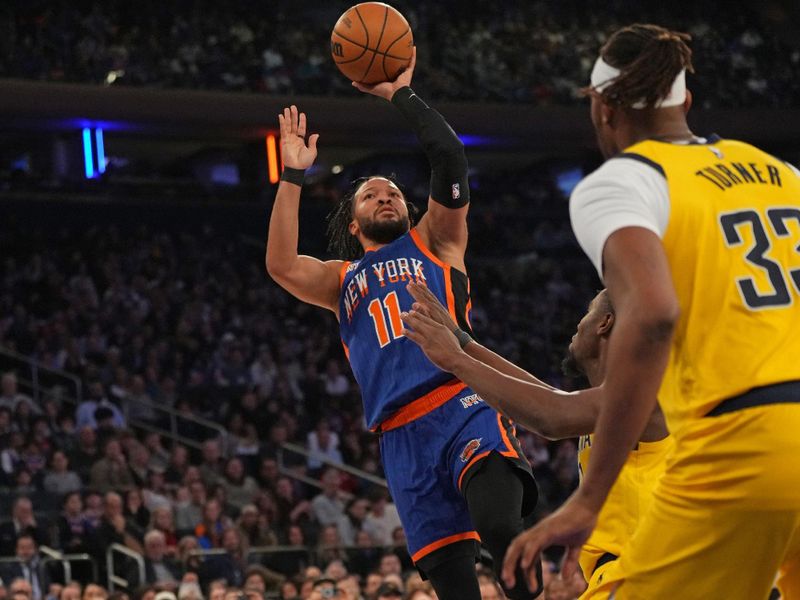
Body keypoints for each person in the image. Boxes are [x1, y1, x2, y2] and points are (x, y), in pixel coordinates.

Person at [499, 24, 800, 600]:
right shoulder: (779, 171)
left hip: (744, 441)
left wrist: (589, 499)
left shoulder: (623, 182)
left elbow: (655, 311)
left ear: (603, 110)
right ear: (686, 99)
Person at [266, 48, 539, 600]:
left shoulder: (436, 241)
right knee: (455, 587)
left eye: (393, 192)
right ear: (353, 220)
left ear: (410, 211)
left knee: (504, 530)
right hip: (400, 436)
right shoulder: (341, 279)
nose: (386, 195)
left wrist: (400, 95)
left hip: (462, 401)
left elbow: (450, 158)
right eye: (371, 194)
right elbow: (280, 264)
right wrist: (293, 174)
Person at [401, 285, 671, 597]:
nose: (577, 324)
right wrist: (463, 341)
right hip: (622, 579)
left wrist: (456, 360)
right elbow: (548, 398)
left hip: (645, 578)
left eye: (587, 312)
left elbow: (551, 416)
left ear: (604, 323)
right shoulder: (602, 406)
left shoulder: (644, 389)